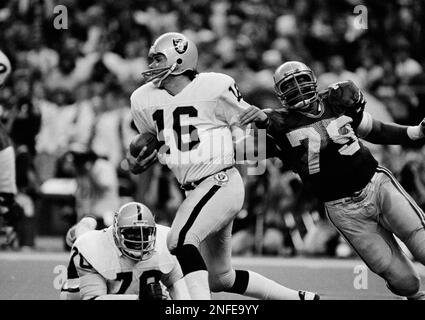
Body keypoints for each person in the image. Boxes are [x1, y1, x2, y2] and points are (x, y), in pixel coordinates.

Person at [127, 32, 319, 300]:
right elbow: (154, 141)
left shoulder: (215, 85)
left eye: (159, 58)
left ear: (180, 59)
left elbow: (254, 125)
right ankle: (300, 299)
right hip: (194, 190)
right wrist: (135, 163)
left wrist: (260, 160)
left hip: (221, 181)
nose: (152, 64)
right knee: (220, 278)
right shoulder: (142, 99)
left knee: (179, 240)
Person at [239, 61, 425, 300]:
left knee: (421, 244)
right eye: (289, 85)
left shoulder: (337, 100)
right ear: (280, 94)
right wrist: (243, 131)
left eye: (302, 80)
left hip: (376, 185)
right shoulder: (275, 124)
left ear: (314, 80)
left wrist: (415, 132)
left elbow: (375, 129)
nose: (298, 87)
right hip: (343, 209)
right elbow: (246, 152)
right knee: (405, 282)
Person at [60, 201, 190, 300]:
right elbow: (93, 298)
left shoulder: (165, 240)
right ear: (116, 233)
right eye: (132, 233)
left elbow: (183, 295)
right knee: (69, 296)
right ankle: (85, 224)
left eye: (144, 233)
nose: (139, 240)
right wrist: (138, 299)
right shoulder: (92, 247)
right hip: (83, 286)